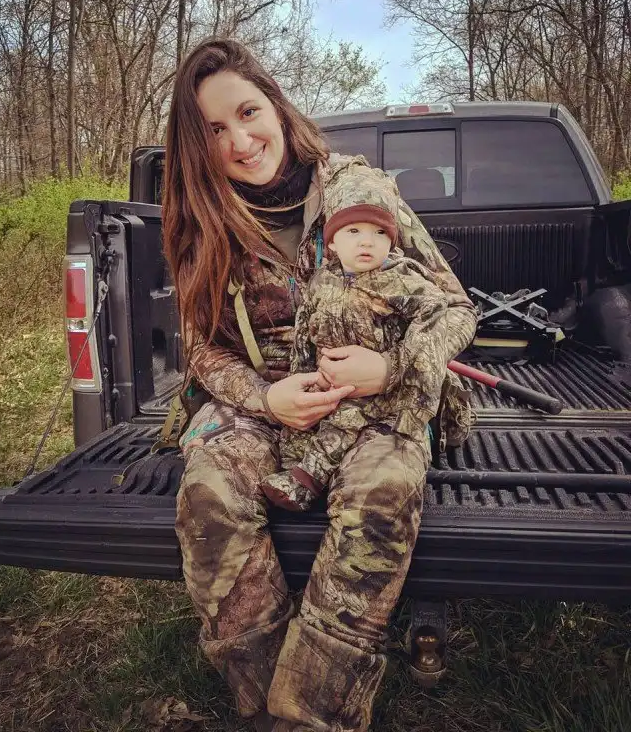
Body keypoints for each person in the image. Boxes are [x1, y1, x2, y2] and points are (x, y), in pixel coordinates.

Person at [162, 38, 477, 732]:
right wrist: (264, 399)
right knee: (209, 494)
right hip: (263, 402)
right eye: (214, 130)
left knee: (381, 494)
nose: (240, 141)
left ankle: (310, 716)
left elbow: (454, 307)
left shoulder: (359, 191)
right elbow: (201, 349)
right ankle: (262, 701)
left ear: (275, 103)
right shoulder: (204, 220)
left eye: (248, 112)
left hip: (375, 400)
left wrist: (390, 369)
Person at [261, 196, 450, 512]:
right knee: (301, 425)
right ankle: (293, 468)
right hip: (331, 380)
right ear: (332, 243)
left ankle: (306, 482)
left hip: (382, 391)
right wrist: (304, 376)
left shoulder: (401, 279)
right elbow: (305, 329)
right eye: (354, 231)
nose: (367, 241)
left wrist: (396, 366)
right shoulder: (323, 279)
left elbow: (435, 311)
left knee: (343, 421)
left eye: (380, 233)